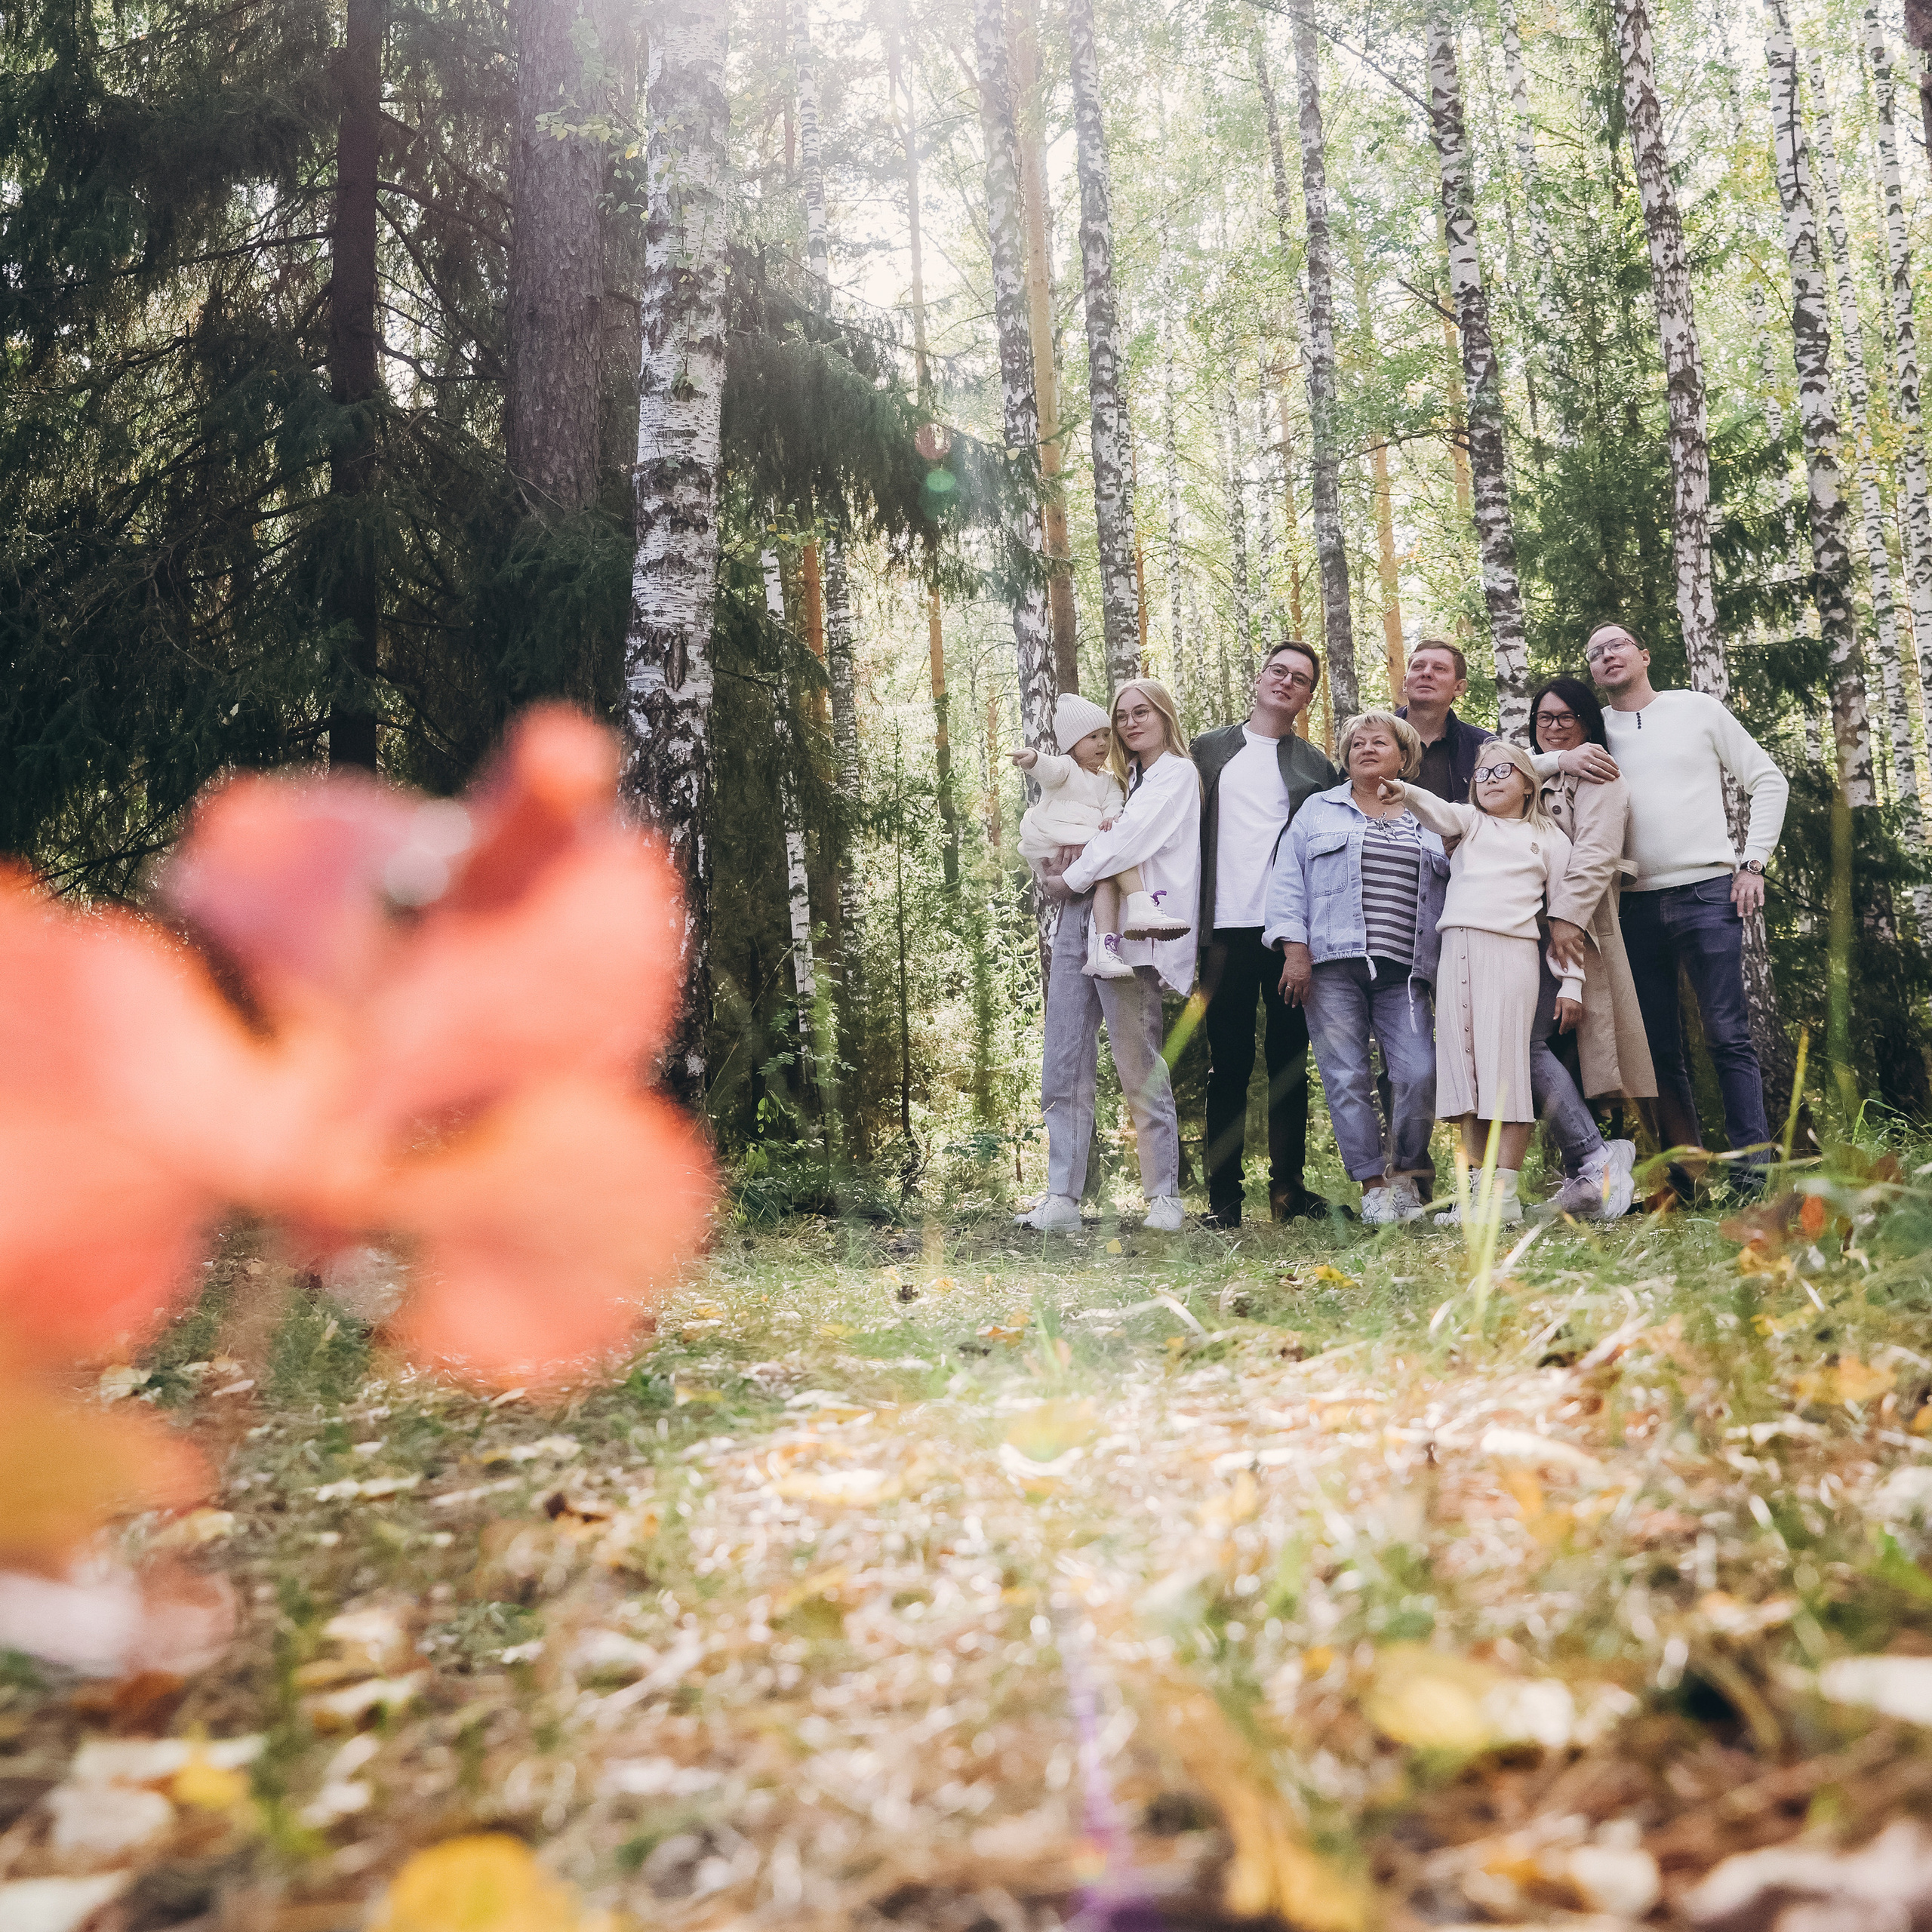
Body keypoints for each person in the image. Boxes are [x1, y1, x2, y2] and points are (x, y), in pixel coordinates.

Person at [1579, 624, 1789, 1182]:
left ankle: (1752, 1177)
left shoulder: (1698, 709)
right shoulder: (1596, 733)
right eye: (1595, 654)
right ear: (1594, 674)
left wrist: (1753, 862)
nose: (1607, 656)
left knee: (1728, 1036)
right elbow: (1533, 766)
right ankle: (1686, 1180)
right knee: (1657, 1053)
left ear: (1644, 655)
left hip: (1707, 894)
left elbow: (1768, 781)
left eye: (1616, 645)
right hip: (1632, 907)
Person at [1017, 680, 1199, 1234]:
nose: (1129, 724)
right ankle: (1062, 1198)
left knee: (1136, 1057)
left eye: (1141, 712)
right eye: (1121, 716)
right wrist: (1051, 865)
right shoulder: (1117, 778)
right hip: (1079, 919)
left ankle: (1163, 1196)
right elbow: (1058, 824)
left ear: (1165, 715)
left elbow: (1128, 841)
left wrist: (1066, 877)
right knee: (1064, 1056)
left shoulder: (1175, 775)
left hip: (1126, 925)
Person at [1379, 741, 1580, 1227]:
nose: (1489, 778)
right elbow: (1438, 812)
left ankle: (1503, 1197)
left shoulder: (1550, 839)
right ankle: (1476, 1197)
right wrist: (1404, 790)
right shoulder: (1468, 824)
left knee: (1505, 1072)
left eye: (1502, 770)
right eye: (1482, 772)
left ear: (1529, 780)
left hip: (1510, 956)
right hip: (1456, 955)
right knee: (1463, 1078)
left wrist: (1572, 983)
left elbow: (1566, 921)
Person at [1264, 710, 1449, 1225]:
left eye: (1379, 741)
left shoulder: (1429, 818)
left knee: (1418, 1071)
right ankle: (1374, 1186)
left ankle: (1408, 1177)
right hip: (1330, 966)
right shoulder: (1318, 811)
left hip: (1407, 969)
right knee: (1346, 1077)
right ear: (1344, 758)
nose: (1366, 749)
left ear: (1404, 755)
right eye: (1356, 744)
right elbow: (1286, 884)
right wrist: (1294, 952)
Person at [1189, 641, 1340, 1229]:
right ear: (1259, 678)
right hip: (1221, 933)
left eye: (1300, 679)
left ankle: (1288, 1194)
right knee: (1225, 1067)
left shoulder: (1316, 766)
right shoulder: (1207, 751)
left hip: (1287, 938)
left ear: (1308, 697)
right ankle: (1223, 1202)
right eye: (1278, 671)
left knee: (1286, 1064)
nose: (1286, 682)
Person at [1527, 678, 1650, 1220]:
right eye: (1544, 718)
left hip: (1581, 929)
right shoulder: (1540, 769)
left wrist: (1565, 920)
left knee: (1590, 1049)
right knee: (1543, 1048)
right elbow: (1490, 785)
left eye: (1566, 717)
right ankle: (1585, 1171)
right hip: (1519, 931)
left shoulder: (1604, 777)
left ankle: (1604, 1164)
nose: (1554, 726)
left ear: (1588, 724)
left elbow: (1596, 857)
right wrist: (1557, 760)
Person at [1013, 694, 1190, 981]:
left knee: (1109, 870)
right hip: (1056, 835)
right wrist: (1033, 760)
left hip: (1085, 842)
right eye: (1092, 737)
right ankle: (1141, 903)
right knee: (1115, 852)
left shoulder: (1109, 779)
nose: (1101, 743)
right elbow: (1050, 770)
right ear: (1072, 745)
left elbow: (1113, 804)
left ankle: (1105, 948)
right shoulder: (1068, 768)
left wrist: (1113, 817)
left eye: (1106, 735)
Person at [1395, 638, 1495, 801]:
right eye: (1418, 667)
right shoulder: (1369, 741)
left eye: (1439, 668)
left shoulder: (1483, 747)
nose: (1426, 673)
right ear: (1405, 683)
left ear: (1459, 687)